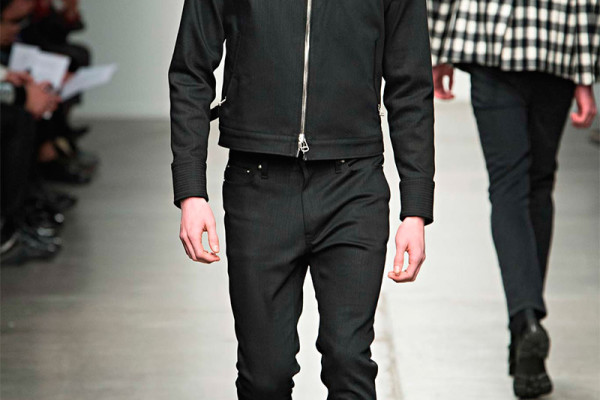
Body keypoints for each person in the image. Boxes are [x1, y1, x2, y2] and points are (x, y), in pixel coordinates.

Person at [169, 0, 435, 398]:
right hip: (257, 184)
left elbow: (411, 84)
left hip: (353, 183)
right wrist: (191, 190)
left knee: (349, 362)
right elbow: (190, 69)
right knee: (265, 375)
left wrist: (415, 207)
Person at [427, 0, 598, 398]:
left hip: (493, 42)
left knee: (508, 187)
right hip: (556, 46)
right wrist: (586, 73)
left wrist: (437, 48)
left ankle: (525, 320)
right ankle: (524, 330)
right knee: (539, 185)